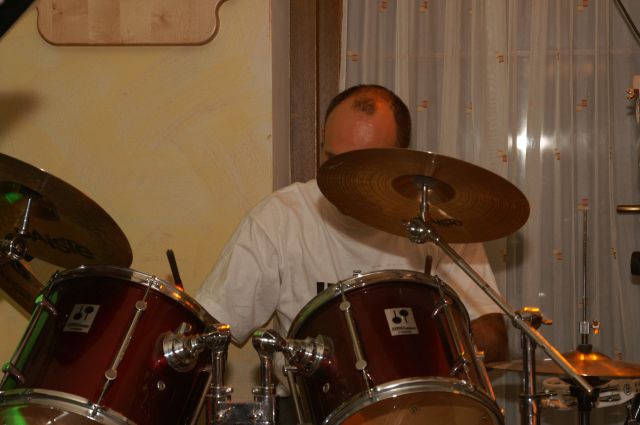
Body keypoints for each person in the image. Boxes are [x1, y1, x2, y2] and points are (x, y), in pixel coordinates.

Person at [195, 84, 508, 410]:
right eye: (333, 161)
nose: (343, 181)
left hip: (418, 409)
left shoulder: (437, 220)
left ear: (401, 159)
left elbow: (495, 339)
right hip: (310, 412)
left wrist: (426, 339)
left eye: (362, 166)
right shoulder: (281, 218)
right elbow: (209, 332)